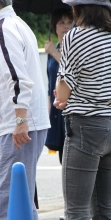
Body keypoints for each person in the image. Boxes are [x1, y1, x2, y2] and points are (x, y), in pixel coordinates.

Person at [0, 0, 51, 220]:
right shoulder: (14, 24)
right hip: (17, 121)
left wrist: (19, 120)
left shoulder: (1, 28)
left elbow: (17, 78)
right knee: (20, 196)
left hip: (17, 124)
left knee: (11, 198)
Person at [55, 0, 111, 220]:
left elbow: (64, 88)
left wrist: (60, 96)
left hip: (87, 126)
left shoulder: (75, 36)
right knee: (105, 210)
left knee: (76, 211)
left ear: (78, 7)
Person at [44, 8, 73, 164]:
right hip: (56, 111)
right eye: (61, 23)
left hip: (70, 109)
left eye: (69, 22)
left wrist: (55, 53)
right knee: (63, 158)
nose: (65, 27)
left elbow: (70, 69)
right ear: (54, 26)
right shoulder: (53, 48)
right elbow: (49, 83)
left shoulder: (75, 48)